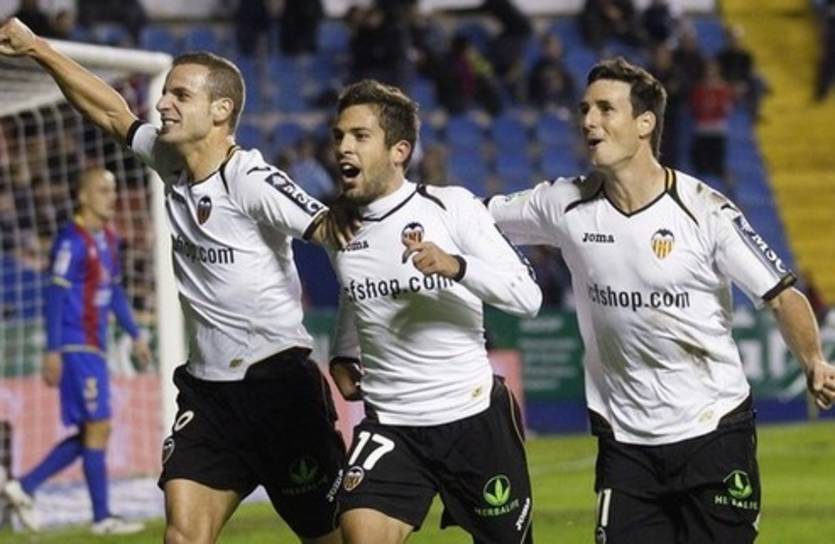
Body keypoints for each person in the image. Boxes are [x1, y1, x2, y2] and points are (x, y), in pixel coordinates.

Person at [0, 17, 348, 544]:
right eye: (165, 93)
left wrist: (353, 340)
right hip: (209, 396)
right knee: (182, 536)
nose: (162, 103)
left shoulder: (251, 180)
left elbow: (332, 231)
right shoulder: (170, 160)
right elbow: (111, 112)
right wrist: (38, 49)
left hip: (278, 389)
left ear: (221, 110)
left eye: (180, 95)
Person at [487, 57, 835, 543]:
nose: (589, 121)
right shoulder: (564, 203)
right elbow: (473, 218)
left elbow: (781, 295)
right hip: (625, 443)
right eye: (585, 109)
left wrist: (813, 360)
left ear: (645, 123)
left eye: (605, 109)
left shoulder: (704, 211)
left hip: (715, 430)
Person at [327, 79, 541, 543]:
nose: (343, 147)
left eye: (360, 136)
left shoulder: (452, 207)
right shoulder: (340, 229)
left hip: (472, 420)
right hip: (392, 426)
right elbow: (355, 292)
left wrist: (457, 266)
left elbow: (528, 297)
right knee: (359, 534)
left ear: (399, 150)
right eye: (339, 135)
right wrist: (342, 352)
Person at [2, 167, 152, 535]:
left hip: (94, 345)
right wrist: (53, 350)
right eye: (103, 190)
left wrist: (135, 333)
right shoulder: (71, 241)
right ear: (83, 196)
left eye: (113, 190)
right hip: (74, 344)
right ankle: (100, 517)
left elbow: (114, 291)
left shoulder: (109, 238)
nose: (112, 197)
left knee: (93, 430)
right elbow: (55, 295)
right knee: (98, 426)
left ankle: (25, 486)